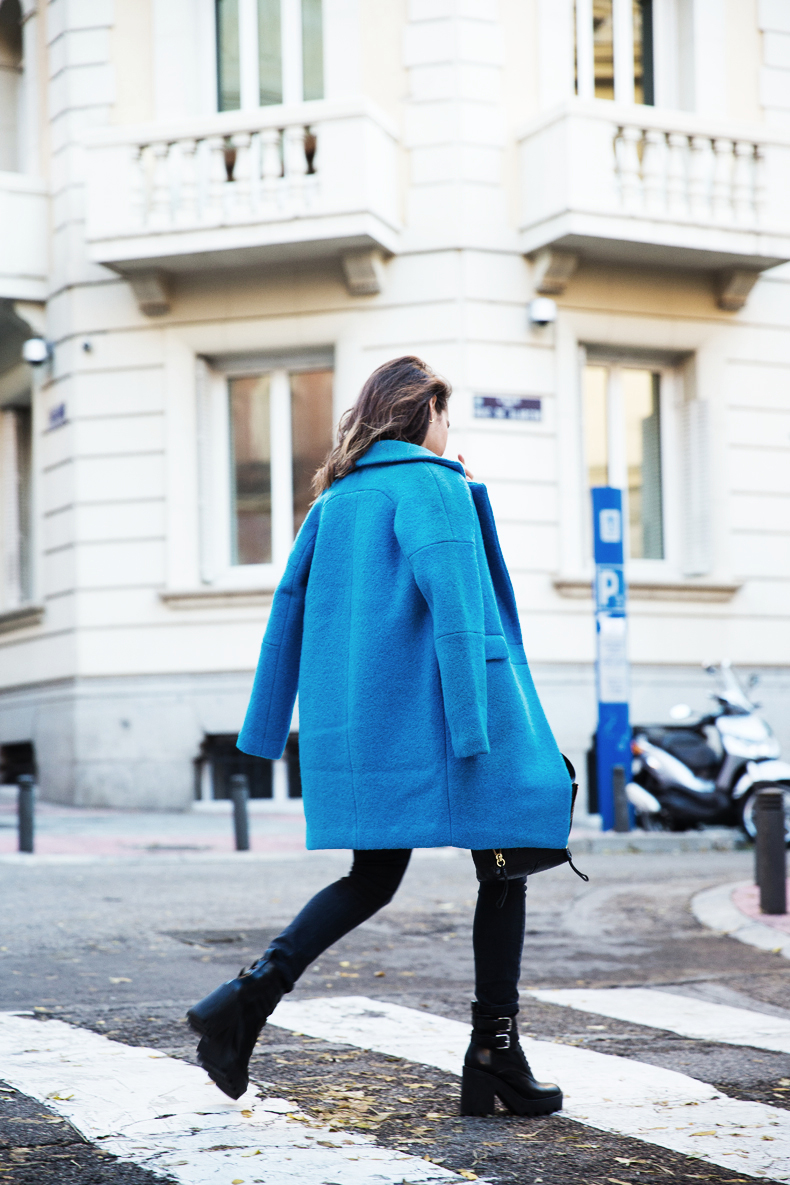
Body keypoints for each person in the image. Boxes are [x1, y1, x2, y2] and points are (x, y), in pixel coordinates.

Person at [187, 356, 572, 1117]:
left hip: (365, 725)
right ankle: (494, 1050)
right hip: (450, 722)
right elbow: (459, 610)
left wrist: (264, 730)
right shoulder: (433, 484)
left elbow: (284, 616)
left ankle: (246, 997)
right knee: (506, 861)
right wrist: (477, 726)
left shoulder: (335, 499)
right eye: (446, 416)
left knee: (373, 875)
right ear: (422, 412)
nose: (448, 431)